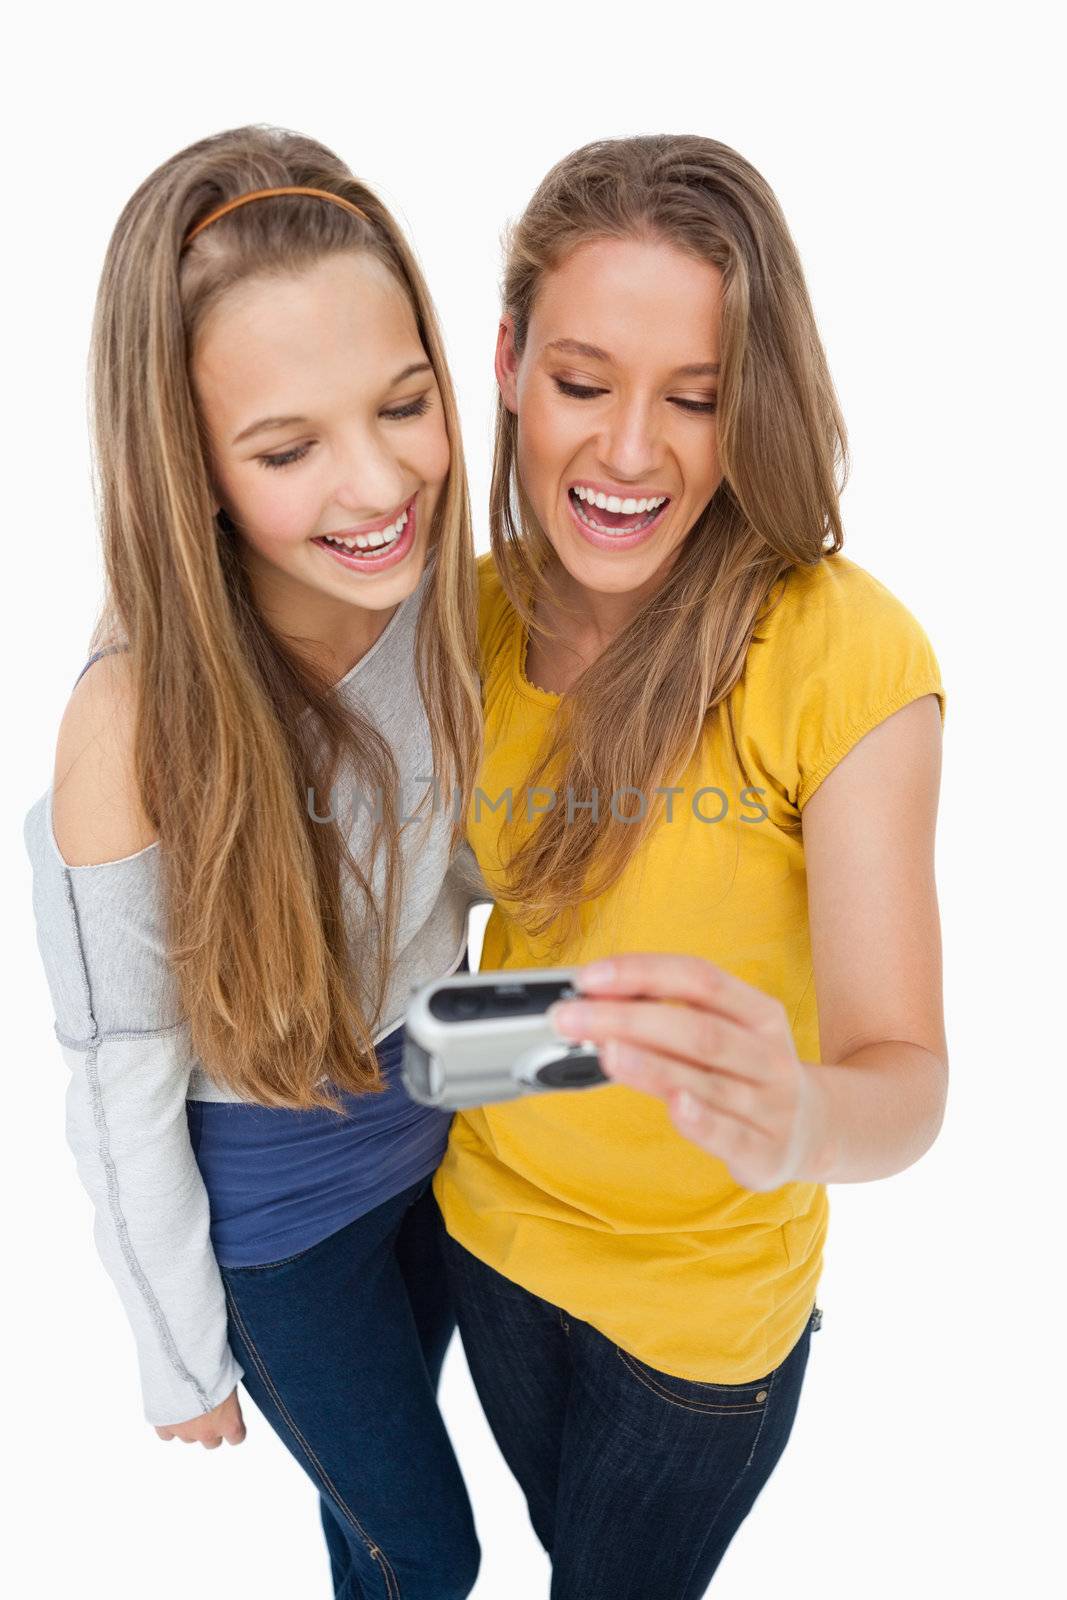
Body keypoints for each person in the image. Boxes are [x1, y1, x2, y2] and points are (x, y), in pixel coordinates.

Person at [433, 133, 948, 1598]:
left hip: (702, 1329)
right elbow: (474, 955)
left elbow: (904, 1074)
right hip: (484, 1239)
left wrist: (796, 1124)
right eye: (585, 383)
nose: (632, 450)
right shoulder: (460, 626)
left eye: (699, 400)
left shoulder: (842, 652)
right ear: (510, 362)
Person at [23, 124, 485, 1599]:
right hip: (280, 1208)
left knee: (367, 1536)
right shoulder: (132, 720)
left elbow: (467, 892)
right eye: (289, 449)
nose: (375, 486)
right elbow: (121, 1070)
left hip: (440, 1126)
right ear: (194, 466)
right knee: (429, 1550)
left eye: (404, 405)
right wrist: (174, 1350)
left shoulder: (447, 603)